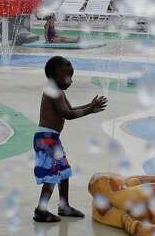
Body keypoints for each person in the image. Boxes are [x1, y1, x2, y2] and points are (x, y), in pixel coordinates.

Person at [34, 56, 107, 223]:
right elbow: (68, 115)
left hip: (51, 138)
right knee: (52, 175)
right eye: (68, 77)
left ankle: (64, 206)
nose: (70, 81)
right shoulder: (53, 91)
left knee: (63, 171)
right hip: (46, 139)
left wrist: (90, 106)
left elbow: (71, 109)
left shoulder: (59, 92)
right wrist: (90, 110)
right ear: (54, 75)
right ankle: (41, 210)